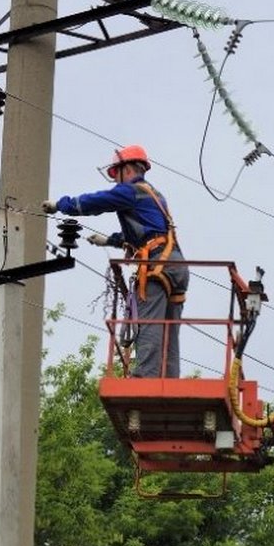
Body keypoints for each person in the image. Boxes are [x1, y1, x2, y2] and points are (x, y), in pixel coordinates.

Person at [42, 144, 189, 378]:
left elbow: (96, 202)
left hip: (156, 263)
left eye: (117, 174)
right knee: (169, 331)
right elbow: (146, 234)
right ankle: (170, 382)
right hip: (176, 265)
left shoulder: (130, 191)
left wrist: (61, 205)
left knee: (149, 323)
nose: (116, 181)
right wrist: (109, 240)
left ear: (127, 169)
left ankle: (146, 381)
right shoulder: (154, 194)